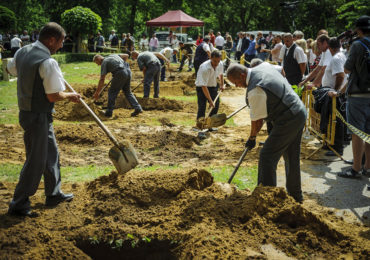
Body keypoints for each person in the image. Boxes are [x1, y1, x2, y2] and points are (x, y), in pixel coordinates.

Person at [6, 22, 81, 217]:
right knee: (36, 161)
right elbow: (53, 96)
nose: (62, 46)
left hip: (29, 113)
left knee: (51, 154)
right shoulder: (48, 62)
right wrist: (70, 96)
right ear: (51, 40)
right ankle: (19, 203)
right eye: (61, 41)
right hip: (37, 115)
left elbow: (10, 70)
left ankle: (53, 193)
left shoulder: (23, 52)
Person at [226, 62, 307, 203]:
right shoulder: (263, 66)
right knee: (291, 156)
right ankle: (296, 197)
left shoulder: (255, 89)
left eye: (236, 82)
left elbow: (257, 121)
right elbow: (281, 70)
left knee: (267, 155)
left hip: (288, 118)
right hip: (298, 111)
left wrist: (252, 138)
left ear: (242, 75)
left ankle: (266, 200)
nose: (236, 86)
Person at [339, 15, 370, 178]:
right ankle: (368, 167)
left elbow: (346, 69)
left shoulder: (357, 45)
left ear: (358, 30)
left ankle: (356, 168)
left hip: (358, 94)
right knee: (369, 134)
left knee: (357, 132)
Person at [321, 37, 347, 156]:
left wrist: (336, 91)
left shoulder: (336, 58)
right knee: (335, 120)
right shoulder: (340, 55)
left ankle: (337, 148)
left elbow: (340, 76)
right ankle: (334, 145)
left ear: (330, 48)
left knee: (336, 121)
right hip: (336, 93)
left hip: (335, 94)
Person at [195, 50, 224, 138]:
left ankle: (210, 126)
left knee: (215, 106)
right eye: (214, 61)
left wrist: (222, 85)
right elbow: (203, 86)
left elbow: (221, 74)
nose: (216, 63)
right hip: (201, 87)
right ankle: (200, 128)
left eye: (218, 61)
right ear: (210, 58)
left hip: (213, 86)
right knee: (202, 107)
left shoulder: (220, 64)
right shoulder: (204, 68)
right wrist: (210, 100)